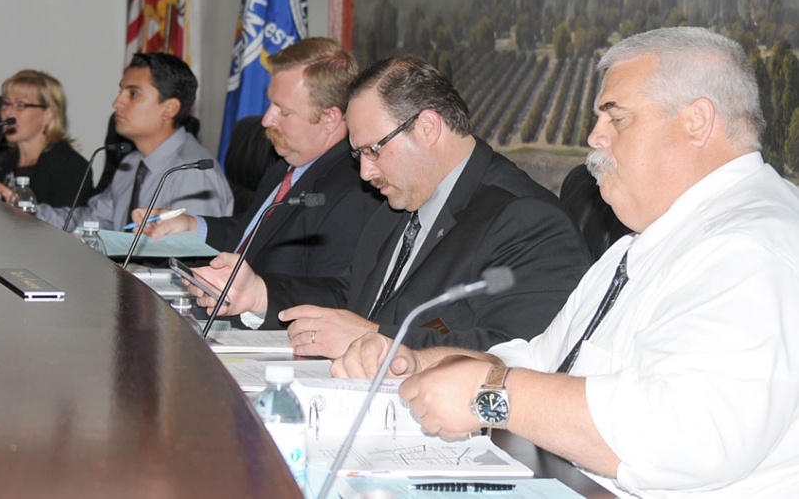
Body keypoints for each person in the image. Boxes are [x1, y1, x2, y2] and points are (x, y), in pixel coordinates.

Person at [336, 27, 799, 498]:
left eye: (615, 118)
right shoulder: (644, 241)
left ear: (697, 121)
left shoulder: (752, 246)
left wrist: (489, 397)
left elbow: (686, 438)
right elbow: (542, 360)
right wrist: (417, 362)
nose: (594, 136)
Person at [188, 55, 591, 359]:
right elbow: (353, 294)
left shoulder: (527, 221)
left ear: (427, 128)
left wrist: (379, 340)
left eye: (373, 150)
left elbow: (513, 352)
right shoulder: (402, 198)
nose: (365, 172)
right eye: (358, 155)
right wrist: (261, 294)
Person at [140, 38, 383, 284]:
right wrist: (191, 226)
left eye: (283, 111)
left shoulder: (355, 192)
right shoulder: (285, 167)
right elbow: (252, 237)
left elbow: (330, 294)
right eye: (270, 103)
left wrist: (254, 296)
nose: (266, 120)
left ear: (329, 118)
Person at [35, 53, 233, 231]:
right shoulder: (131, 163)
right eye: (121, 91)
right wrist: (28, 212)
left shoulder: (193, 173)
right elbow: (95, 219)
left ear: (169, 109)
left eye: (133, 94)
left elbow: (194, 260)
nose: (116, 103)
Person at [0, 70, 94, 208]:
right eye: (6, 103)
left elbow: (65, 224)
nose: (8, 112)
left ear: (48, 114)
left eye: (21, 105)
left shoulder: (70, 166)